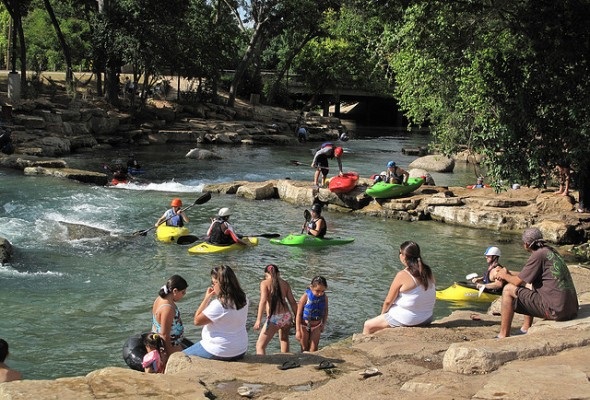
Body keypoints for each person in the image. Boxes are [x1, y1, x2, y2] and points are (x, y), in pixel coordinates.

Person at [494, 227, 579, 338]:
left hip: (556, 311)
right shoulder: (550, 251)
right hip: (571, 309)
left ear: (526, 244)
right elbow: (525, 276)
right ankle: (525, 328)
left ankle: (503, 335)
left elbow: (517, 282)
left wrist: (504, 275)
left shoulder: (538, 255)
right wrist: (508, 272)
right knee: (530, 285)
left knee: (508, 290)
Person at [363, 241, 436, 335]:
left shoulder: (402, 275)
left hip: (410, 319)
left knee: (368, 325)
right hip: (427, 317)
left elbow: (388, 301)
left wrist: (382, 315)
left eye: (400, 253)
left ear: (404, 256)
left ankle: (363, 347)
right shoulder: (428, 270)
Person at [184, 265, 249, 361]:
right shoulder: (244, 298)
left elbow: (197, 321)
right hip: (240, 348)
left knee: (179, 357)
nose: (213, 286)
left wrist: (206, 298)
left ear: (222, 284)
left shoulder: (219, 304)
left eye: (214, 283)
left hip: (220, 350)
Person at [253, 264, 299, 355]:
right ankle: (286, 360)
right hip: (286, 316)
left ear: (266, 274)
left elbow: (262, 302)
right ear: (279, 273)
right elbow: (293, 302)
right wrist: (297, 317)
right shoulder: (285, 283)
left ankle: (262, 366)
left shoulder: (264, 283)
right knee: (284, 339)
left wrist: (258, 320)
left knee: (260, 346)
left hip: (274, 318)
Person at [152, 275, 189, 360]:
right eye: (183, 292)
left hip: (174, 341)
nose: (184, 295)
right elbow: (164, 335)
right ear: (175, 291)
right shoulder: (167, 309)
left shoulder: (160, 298)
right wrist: (169, 356)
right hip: (171, 345)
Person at [295, 276, 328, 352]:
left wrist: (323, 324)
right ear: (311, 287)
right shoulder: (305, 296)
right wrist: (298, 331)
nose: (320, 293)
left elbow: (326, 311)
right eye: (317, 291)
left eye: (322, 291)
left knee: (314, 349)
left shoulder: (325, 298)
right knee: (304, 348)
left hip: (317, 325)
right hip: (304, 325)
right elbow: (298, 314)